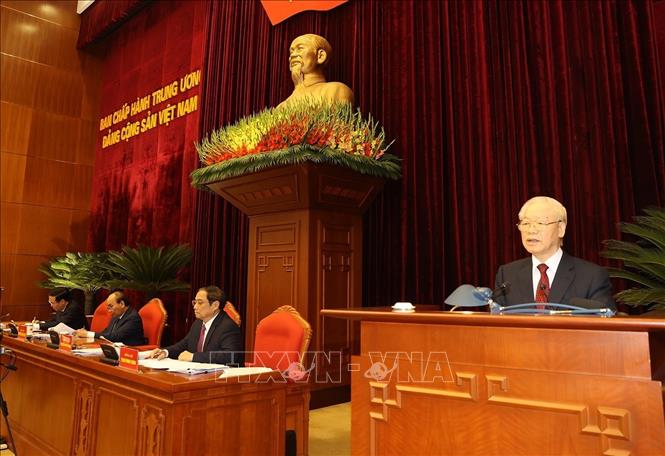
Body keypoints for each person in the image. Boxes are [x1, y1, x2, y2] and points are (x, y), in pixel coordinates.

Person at [494, 196, 615, 308]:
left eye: (540, 223)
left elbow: (605, 321)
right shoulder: (507, 274)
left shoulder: (591, 276)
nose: (531, 230)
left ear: (560, 229)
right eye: (526, 223)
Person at [148, 286, 242, 365]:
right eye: (195, 302)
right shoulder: (198, 323)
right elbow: (185, 344)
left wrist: (194, 357)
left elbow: (229, 356)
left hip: (221, 377)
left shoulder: (227, 326)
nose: (195, 307)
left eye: (200, 303)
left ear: (215, 305)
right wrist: (165, 352)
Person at [278, 33, 354, 108]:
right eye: (291, 52)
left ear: (320, 56)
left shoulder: (336, 90)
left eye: (300, 49)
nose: (293, 55)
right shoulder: (281, 106)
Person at [74, 290, 145, 346]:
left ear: (122, 304)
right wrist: (86, 334)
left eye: (111, 306)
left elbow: (116, 337)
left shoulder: (133, 318)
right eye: (108, 308)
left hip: (130, 352)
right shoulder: (116, 315)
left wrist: (89, 334)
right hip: (115, 349)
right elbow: (106, 333)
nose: (109, 311)